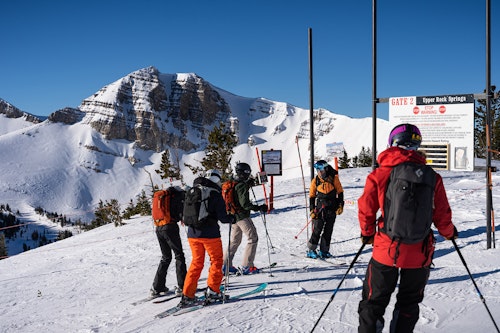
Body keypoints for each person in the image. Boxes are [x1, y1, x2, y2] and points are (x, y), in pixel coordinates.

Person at [357, 123, 458, 333]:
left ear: (392, 143)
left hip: (386, 250)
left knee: (373, 303)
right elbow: (442, 214)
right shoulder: (432, 176)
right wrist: (449, 233)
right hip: (420, 253)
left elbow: (366, 207)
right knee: (408, 304)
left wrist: (367, 234)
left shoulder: (380, 174)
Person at [178, 169, 236, 307]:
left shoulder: (193, 191)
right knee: (216, 261)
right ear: (217, 180)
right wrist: (231, 218)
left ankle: (187, 295)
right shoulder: (214, 194)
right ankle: (213, 291)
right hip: (210, 234)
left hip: (192, 233)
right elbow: (223, 218)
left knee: (196, 263)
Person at [222, 162, 267, 275]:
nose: (248, 175)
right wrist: (258, 207)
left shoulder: (231, 182)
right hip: (241, 216)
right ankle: (247, 266)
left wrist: (249, 184)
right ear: (243, 173)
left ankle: (225, 265)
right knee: (253, 238)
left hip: (232, 216)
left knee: (234, 241)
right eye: (247, 173)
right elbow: (245, 204)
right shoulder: (241, 185)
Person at [150, 187, 187, 298]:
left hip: (158, 227)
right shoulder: (176, 196)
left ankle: (157, 287)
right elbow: (179, 212)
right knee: (179, 255)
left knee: (166, 257)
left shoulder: (162, 196)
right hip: (170, 227)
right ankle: (183, 286)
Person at [306, 160, 344, 259]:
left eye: (321, 170)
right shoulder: (316, 180)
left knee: (328, 230)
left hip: (332, 207)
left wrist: (340, 205)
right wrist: (312, 209)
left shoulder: (334, 179)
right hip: (320, 209)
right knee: (317, 229)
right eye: (318, 170)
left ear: (326, 169)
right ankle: (311, 249)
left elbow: (340, 192)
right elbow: (312, 195)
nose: (319, 172)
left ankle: (324, 250)